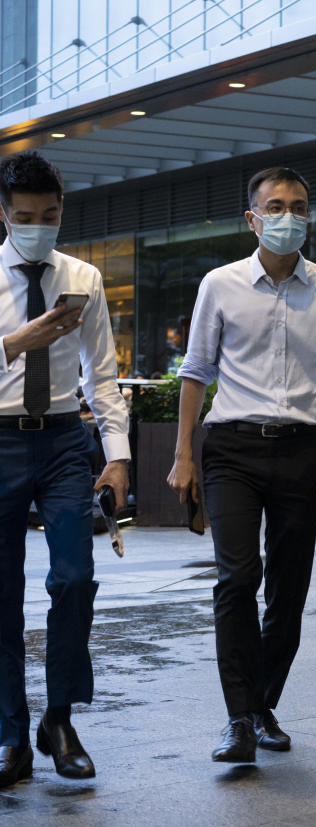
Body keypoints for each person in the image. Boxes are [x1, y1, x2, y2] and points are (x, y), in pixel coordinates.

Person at [167, 166, 316, 763]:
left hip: (303, 449)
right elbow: (196, 370)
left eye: (299, 206)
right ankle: (239, 719)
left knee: (289, 586)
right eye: (275, 206)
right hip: (231, 448)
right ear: (252, 218)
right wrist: (182, 454)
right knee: (237, 577)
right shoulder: (220, 284)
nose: (288, 216)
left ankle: (261, 704)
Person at [0, 151, 130, 787]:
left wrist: (119, 455)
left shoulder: (83, 276)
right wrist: (14, 343)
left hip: (61, 441)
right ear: (4, 213)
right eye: (25, 216)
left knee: (75, 578)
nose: (38, 226)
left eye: (49, 215)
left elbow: (102, 375)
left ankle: (59, 717)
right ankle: (10, 735)